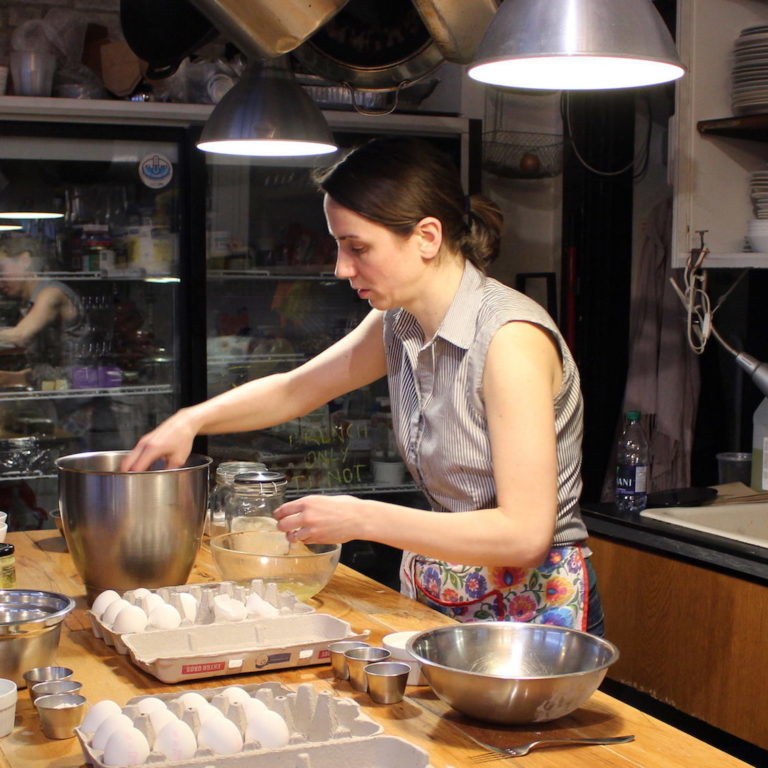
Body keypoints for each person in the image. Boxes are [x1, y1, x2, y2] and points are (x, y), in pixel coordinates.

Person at [122, 137, 604, 634]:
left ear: (427, 237)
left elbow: (523, 534)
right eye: (338, 246)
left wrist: (361, 518)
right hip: (447, 587)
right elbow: (295, 389)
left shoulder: (509, 341)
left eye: (357, 248)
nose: (341, 268)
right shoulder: (400, 321)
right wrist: (191, 420)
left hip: (534, 610)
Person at [0, 236, 87, 387]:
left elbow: (19, 336)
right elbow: (47, 370)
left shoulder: (51, 294)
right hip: (57, 393)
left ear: (24, 261)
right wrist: (11, 378)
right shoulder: (28, 302)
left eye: (1, 269)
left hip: (74, 399)